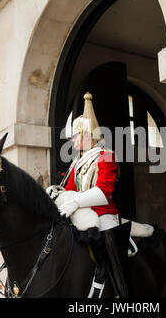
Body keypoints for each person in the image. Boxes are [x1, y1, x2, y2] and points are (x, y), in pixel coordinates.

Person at [52, 92, 131, 298]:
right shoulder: (76, 163)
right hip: (81, 211)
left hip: (103, 212)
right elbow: (69, 189)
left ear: (87, 134)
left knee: (107, 245)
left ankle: (116, 288)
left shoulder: (106, 155)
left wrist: (75, 202)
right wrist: (57, 193)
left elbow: (104, 191)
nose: (72, 139)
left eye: (76, 135)